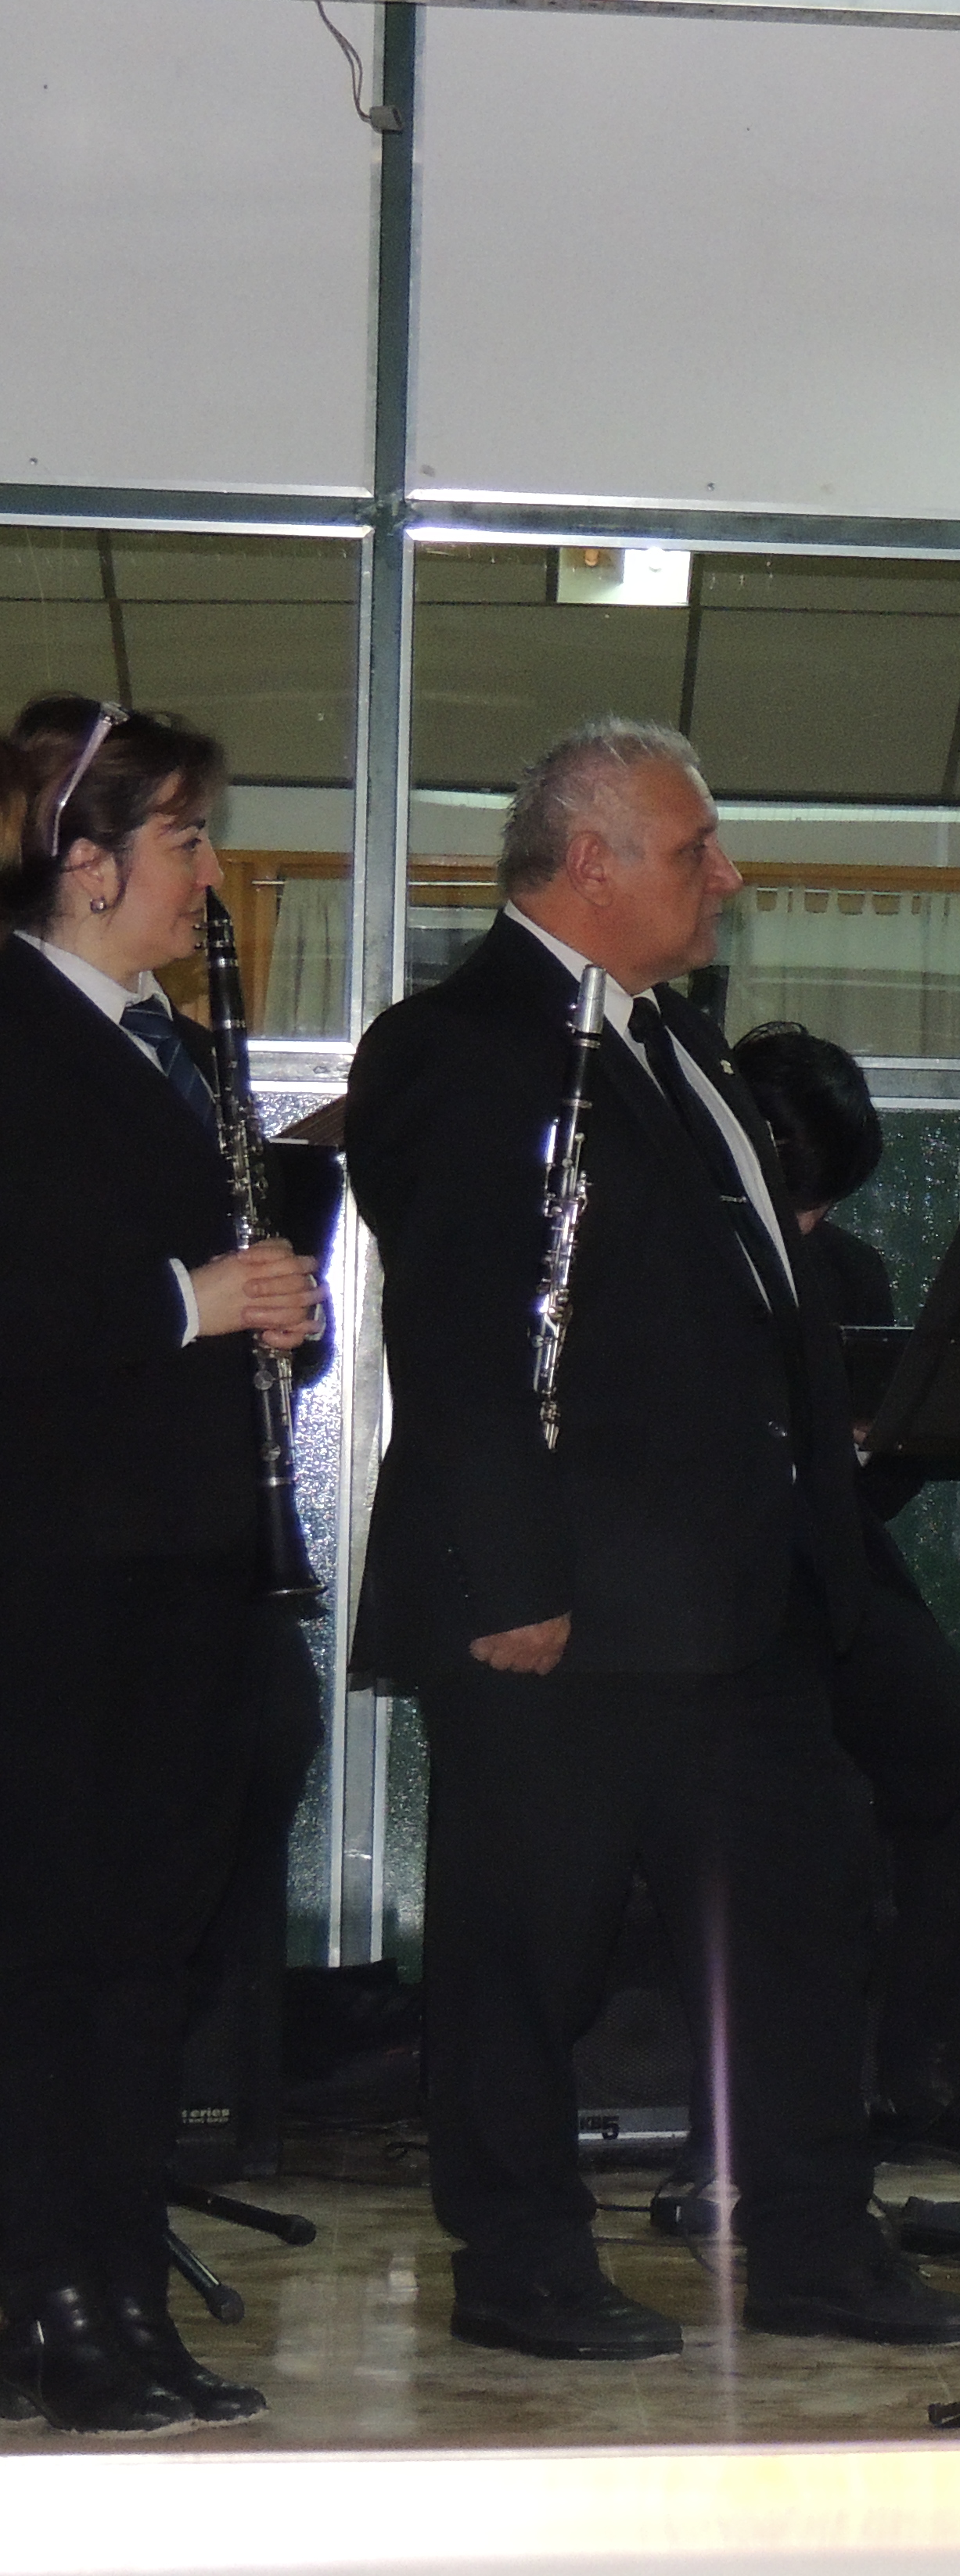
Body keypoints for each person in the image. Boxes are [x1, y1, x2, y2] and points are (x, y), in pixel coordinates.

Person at [345, 718, 960, 2359]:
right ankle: (519, 2262)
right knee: (525, 1945)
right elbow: (466, 1335)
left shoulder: (675, 1049)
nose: (729, 876)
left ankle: (813, 2246)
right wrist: (510, 1580)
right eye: (698, 850)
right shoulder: (458, 1043)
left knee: (795, 1923)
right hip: (563, 1609)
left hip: (735, 1603)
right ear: (590, 863)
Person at [0, 695, 326, 2433]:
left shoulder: (159, 1045)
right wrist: (188, 1302)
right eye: (188, 840)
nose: (210, 877)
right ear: (87, 859)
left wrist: (277, 1307)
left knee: (144, 1959)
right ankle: (59, 2298)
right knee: (64, 1956)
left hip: (180, 1564)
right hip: (57, 1580)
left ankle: (113, 2291)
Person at [730, 1021, 960, 2166]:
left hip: (840, 1577)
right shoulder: (682, 1267)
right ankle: (786, 2104)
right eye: (799, 1200)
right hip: (730, 1596)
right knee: (799, 1822)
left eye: (826, 1203)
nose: (812, 1229)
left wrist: (871, 1444)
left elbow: (884, 1475)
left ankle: (941, 2066)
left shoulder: (845, 1269)